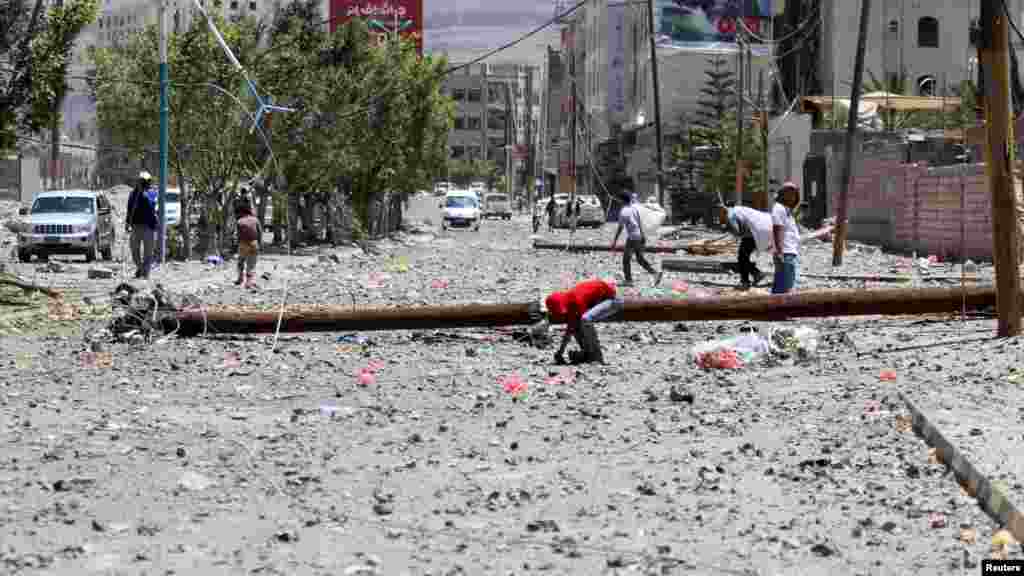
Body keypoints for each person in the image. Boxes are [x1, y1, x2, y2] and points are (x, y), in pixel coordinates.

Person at [545, 279, 622, 365]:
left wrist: (561, 351)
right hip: (602, 301)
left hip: (612, 300)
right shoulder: (569, 302)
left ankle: (597, 357)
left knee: (585, 320)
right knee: (577, 325)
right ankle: (588, 353)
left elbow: (578, 324)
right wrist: (561, 351)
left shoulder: (576, 300)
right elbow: (570, 328)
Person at [611, 191, 662, 287]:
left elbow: (620, 228)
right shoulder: (634, 209)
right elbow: (639, 222)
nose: (618, 201)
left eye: (619, 199)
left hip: (632, 238)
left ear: (621, 200)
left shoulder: (623, 211)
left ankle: (629, 281)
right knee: (639, 258)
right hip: (639, 236)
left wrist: (614, 241)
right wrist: (643, 236)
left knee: (626, 260)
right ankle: (655, 273)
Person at [720, 202, 772, 289]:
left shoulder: (730, 215)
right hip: (765, 227)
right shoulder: (738, 209)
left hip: (754, 233)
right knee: (744, 257)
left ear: (724, 210)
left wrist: (726, 227)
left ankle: (745, 281)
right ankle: (756, 274)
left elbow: (737, 231)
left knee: (742, 257)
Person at [125, 171, 158, 279]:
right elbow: (129, 209)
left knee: (148, 252)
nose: (142, 183)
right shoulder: (133, 194)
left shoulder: (151, 192)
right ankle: (141, 268)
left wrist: (143, 194)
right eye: (140, 181)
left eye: (144, 181)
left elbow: (151, 206)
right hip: (135, 226)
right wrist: (127, 223)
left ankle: (146, 272)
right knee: (134, 251)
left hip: (148, 226)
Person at [771, 181, 801, 294]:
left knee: (780, 288)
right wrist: (779, 252)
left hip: (789, 253)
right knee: (786, 289)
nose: (791, 196)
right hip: (785, 254)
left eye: (794, 194)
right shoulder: (779, 209)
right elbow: (777, 229)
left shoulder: (787, 211)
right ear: (781, 195)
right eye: (788, 193)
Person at [235, 202, 262, 288]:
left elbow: (238, 235)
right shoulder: (255, 220)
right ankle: (249, 282)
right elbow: (260, 233)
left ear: (241, 212)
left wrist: (237, 244)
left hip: (243, 244)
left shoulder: (239, 221)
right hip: (254, 243)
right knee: (251, 265)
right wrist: (259, 244)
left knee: (240, 263)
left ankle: (240, 279)